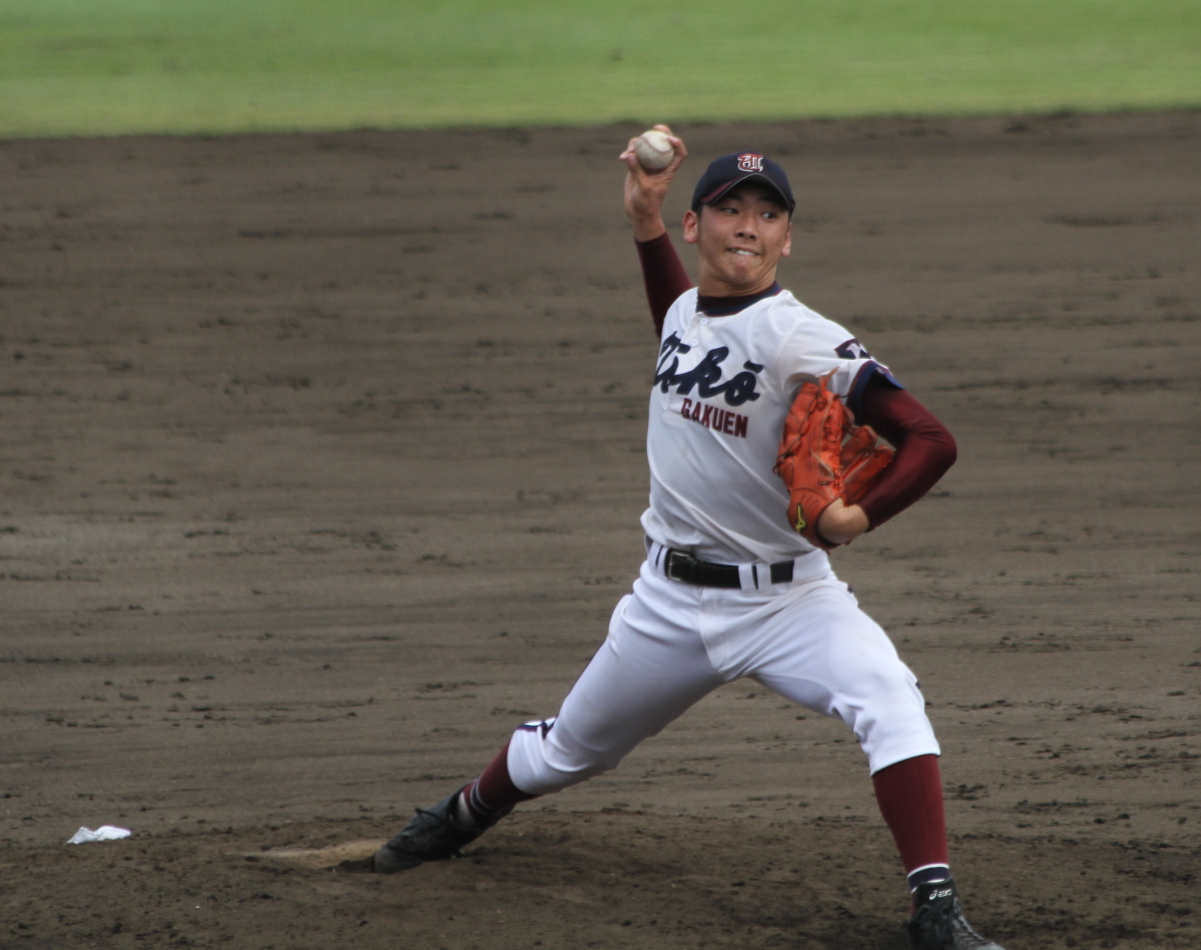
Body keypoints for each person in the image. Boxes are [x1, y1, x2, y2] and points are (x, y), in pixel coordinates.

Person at [373, 126, 1005, 950]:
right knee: (567, 753)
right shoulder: (683, 309)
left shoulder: (801, 335)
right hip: (666, 606)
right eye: (729, 208)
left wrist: (857, 515)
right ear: (696, 226)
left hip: (791, 600)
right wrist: (643, 222)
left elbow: (932, 439)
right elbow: (680, 321)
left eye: (767, 213)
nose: (748, 224)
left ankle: (935, 912)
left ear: (788, 236)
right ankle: (461, 813)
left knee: (890, 701)